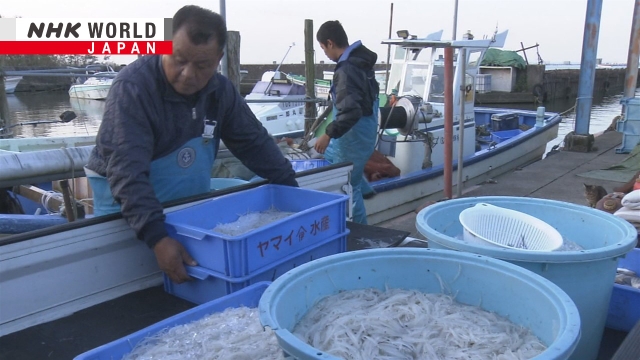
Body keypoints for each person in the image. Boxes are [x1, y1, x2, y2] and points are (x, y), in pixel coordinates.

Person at [85, 5, 298, 284]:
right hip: (127, 218)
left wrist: (292, 191)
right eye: (179, 59)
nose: (187, 74)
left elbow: (254, 143)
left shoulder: (221, 92)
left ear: (218, 59)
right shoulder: (133, 89)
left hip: (186, 213)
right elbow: (127, 171)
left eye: (202, 65)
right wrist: (156, 236)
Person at [314, 20, 379, 224]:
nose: (324, 53)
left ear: (330, 43)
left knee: (347, 185)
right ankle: (365, 187)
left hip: (353, 136)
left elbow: (350, 111)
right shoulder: (361, 62)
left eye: (323, 48)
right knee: (334, 160)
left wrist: (328, 134)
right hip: (365, 132)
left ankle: (361, 235)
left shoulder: (346, 70)